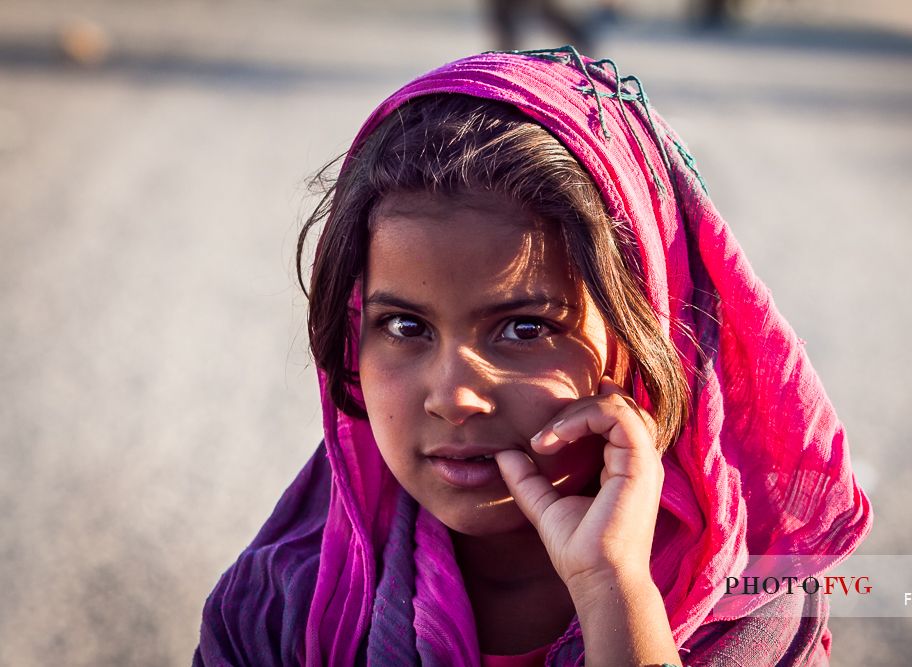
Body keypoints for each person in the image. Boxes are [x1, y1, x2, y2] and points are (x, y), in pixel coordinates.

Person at [195, 47, 872, 666]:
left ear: (643, 336)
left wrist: (614, 589)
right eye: (404, 325)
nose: (455, 394)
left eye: (522, 329)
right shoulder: (285, 609)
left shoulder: (747, 611)